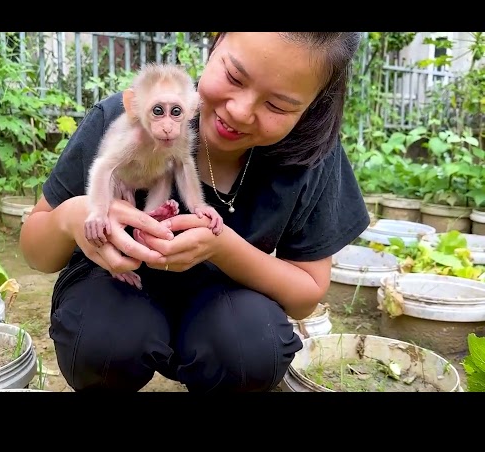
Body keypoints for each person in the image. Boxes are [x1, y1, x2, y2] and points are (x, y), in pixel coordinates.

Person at [19, 32, 370, 393]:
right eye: (234, 77)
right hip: (115, 288)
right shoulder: (127, 119)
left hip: (222, 304)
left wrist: (221, 247)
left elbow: (306, 295)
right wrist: (73, 216)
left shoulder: (312, 158)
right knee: (102, 340)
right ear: (215, 42)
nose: (240, 111)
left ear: (313, 106)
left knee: (251, 348)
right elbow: (35, 250)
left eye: (278, 106)